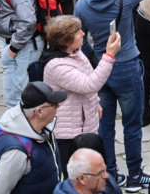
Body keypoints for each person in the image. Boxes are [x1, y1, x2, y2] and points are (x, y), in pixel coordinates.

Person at [73, 0, 150, 190]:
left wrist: (95, 58)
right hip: (127, 67)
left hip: (102, 68)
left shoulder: (82, 5)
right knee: (132, 125)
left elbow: (80, 38)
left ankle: (109, 176)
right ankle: (135, 176)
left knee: (105, 126)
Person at [40, 15, 120, 175]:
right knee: (73, 177)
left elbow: (86, 78)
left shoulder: (75, 52)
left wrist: (95, 102)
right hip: (67, 134)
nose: (83, 33)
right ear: (66, 41)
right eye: (78, 32)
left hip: (80, 127)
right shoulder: (57, 66)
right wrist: (109, 56)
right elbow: (89, 84)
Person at [0, 82, 66, 194]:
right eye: (53, 104)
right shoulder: (16, 152)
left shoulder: (44, 128)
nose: (58, 106)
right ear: (39, 112)